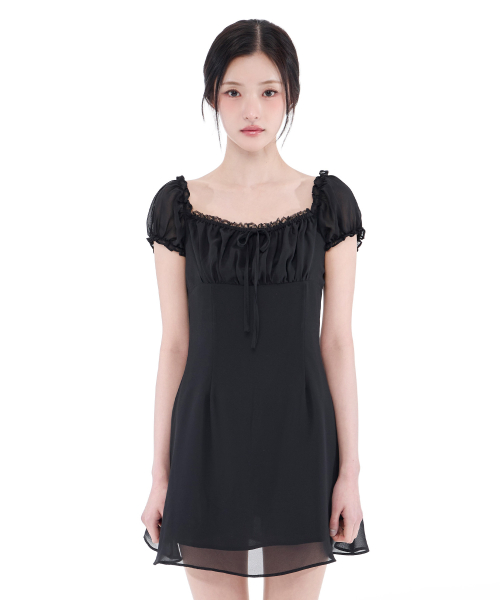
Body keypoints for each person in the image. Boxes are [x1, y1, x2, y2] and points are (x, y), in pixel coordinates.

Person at [141, 18, 369, 600]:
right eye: (233, 92)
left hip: (301, 440)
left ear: (290, 96)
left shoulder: (328, 204)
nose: (251, 110)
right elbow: (174, 346)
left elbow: (337, 342)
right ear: (212, 96)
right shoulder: (177, 208)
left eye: (268, 92)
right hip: (206, 443)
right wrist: (160, 475)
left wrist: (350, 472)